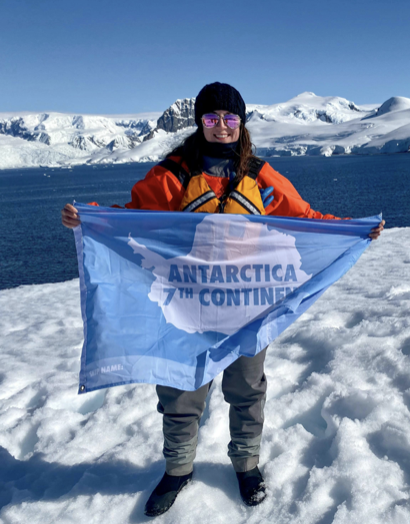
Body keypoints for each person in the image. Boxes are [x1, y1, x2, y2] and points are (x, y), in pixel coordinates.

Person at [61, 82, 384, 517]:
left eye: (230, 119)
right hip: (186, 307)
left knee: (247, 389)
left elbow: (304, 218)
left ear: (241, 123)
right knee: (180, 393)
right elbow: (132, 218)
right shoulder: (171, 177)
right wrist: (90, 217)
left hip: (247, 307)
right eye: (211, 119)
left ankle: (246, 464)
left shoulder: (259, 176)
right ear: (199, 122)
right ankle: (177, 469)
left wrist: (350, 229)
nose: (221, 127)